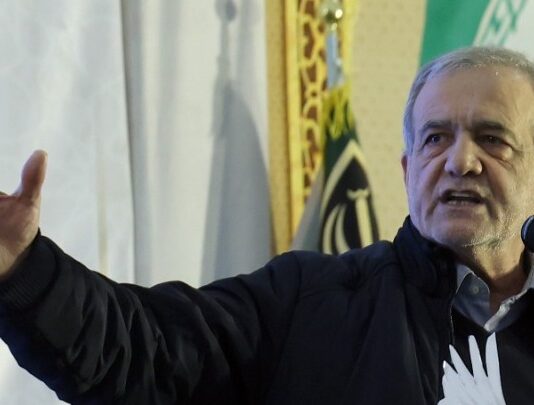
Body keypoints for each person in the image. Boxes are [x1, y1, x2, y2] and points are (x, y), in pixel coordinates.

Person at [1, 46, 534, 405]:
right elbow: (143, 352)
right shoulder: (309, 301)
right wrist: (23, 269)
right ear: (407, 169)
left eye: (492, 139)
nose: (460, 161)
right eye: (435, 139)